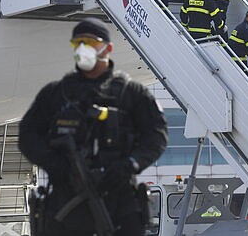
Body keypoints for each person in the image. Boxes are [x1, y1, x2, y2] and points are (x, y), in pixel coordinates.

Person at [19, 18, 168, 236]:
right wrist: (56, 165)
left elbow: (156, 137)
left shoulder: (132, 94)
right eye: (77, 43)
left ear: (107, 48)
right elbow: (28, 136)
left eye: (89, 42)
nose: (83, 49)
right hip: (66, 201)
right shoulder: (55, 94)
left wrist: (130, 164)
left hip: (119, 201)